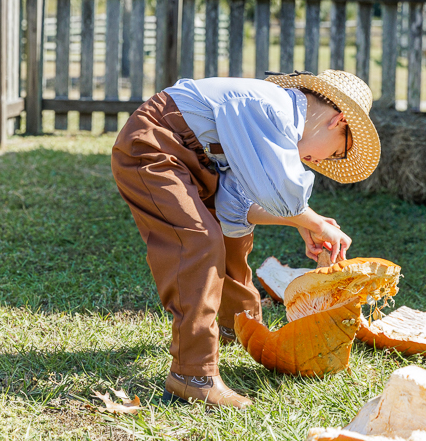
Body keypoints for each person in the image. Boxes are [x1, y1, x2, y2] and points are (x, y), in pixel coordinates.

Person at [110, 70, 381, 409]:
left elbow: (236, 205)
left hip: (191, 161)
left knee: (230, 239)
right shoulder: (269, 107)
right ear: (337, 121)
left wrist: (302, 221)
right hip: (153, 147)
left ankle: (237, 328)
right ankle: (192, 376)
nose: (322, 162)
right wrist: (309, 220)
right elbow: (278, 189)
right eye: (338, 153)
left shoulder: (273, 129)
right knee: (197, 242)